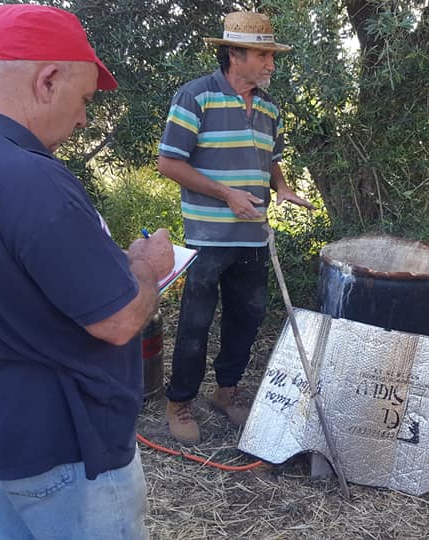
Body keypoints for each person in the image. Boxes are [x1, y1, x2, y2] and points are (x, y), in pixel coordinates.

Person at [0, 5, 174, 538]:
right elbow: (119, 321)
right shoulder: (30, 178)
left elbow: (12, 280)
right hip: (68, 451)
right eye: (84, 101)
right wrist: (146, 268)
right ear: (48, 79)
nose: (83, 121)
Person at [157, 11, 315, 443]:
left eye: (272, 56)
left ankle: (225, 393)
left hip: (253, 234)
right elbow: (169, 162)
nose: (271, 64)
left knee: (246, 318)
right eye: (263, 55)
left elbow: (271, 160)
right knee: (195, 322)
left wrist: (281, 188)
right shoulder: (196, 97)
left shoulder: (268, 108)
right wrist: (227, 195)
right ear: (234, 55)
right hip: (208, 237)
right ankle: (180, 401)